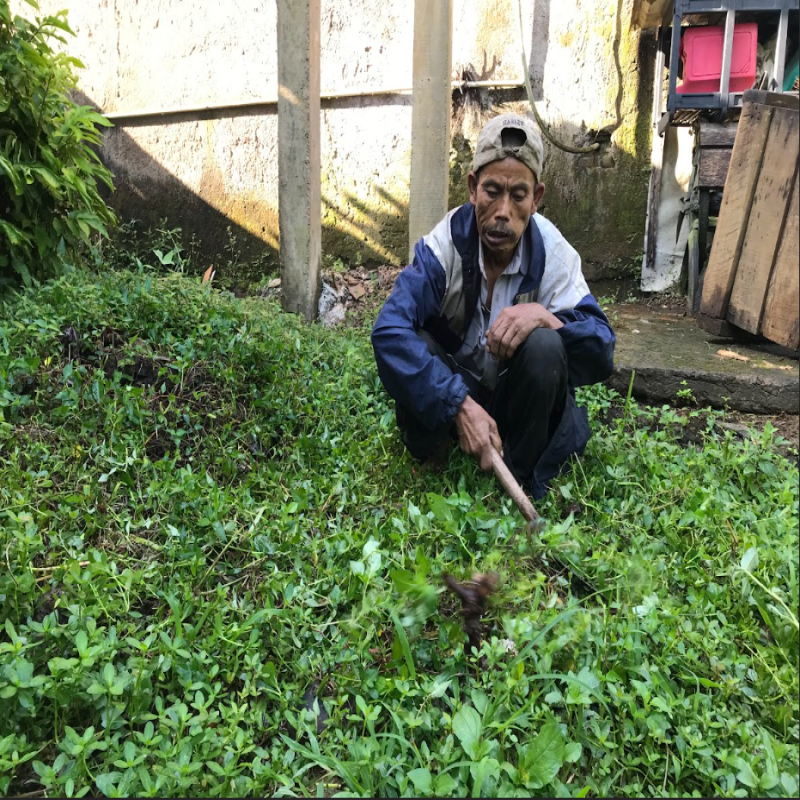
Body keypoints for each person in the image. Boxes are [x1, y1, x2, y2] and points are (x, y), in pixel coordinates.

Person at [371, 113, 615, 499]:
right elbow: (388, 331)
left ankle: (517, 471)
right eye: (491, 191)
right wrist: (458, 405)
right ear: (472, 188)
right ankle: (436, 452)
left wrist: (545, 317)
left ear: (536, 199)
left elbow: (601, 346)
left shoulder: (554, 254)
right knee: (415, 338)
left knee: (545, 345)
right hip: (457, 394)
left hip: (513, 400)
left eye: (518, 195)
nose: (503, 211)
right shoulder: (445, 245)